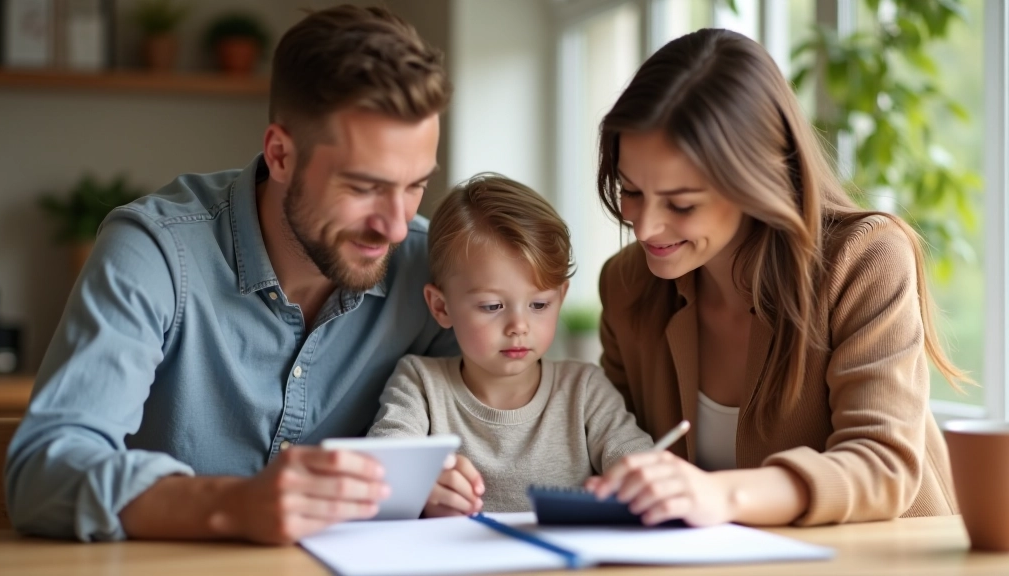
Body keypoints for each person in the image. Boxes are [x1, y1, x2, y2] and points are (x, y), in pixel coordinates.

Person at [5, 5, 459, 544]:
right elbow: (42, 473)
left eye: (415, 186)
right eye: (364, 187)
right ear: (281, 154)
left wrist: (452, 483)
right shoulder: (155, 251)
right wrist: (232, 505)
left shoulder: (434, 269)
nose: (395, 225)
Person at [584, 28, 964, 528]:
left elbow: (883, 466)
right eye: (631, 190)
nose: (645, 226)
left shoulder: (865, 258)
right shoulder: (628, 284)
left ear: (756, 182)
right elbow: (605, 442)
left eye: (681, 203)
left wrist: (722, 496)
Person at [367, 174, 654, 515]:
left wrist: (638, 479)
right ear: (441, 307)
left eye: (539, 305)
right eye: (492, 306)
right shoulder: (420, 383)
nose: (519, 327)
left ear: (560, 298)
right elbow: (384, 472)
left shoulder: (585, 390)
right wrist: (420, 488)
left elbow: (642, 465)